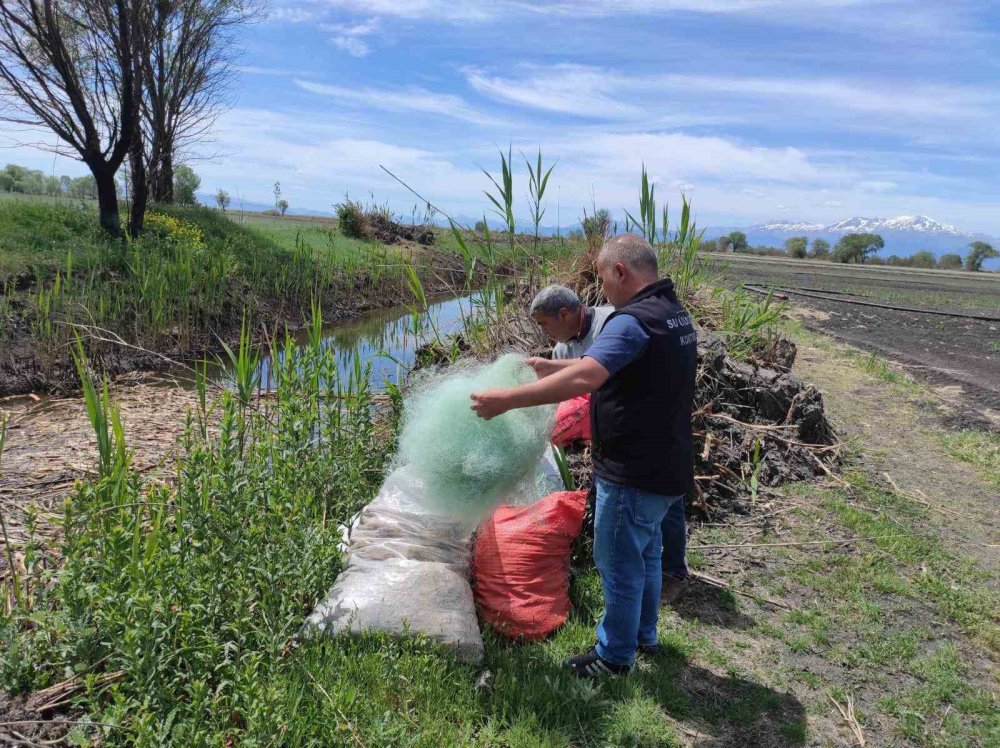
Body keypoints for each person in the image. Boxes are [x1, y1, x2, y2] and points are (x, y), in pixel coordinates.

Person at [471, 235, 697, 678]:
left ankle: (614, 658)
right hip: (668, 462)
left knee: (618, 566)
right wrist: (548, 366)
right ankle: (644, 636)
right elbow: (608, 364)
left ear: (620, 272)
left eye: (601, 276)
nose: (600, 288)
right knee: (648, 555)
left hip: (632, 469)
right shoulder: (673, 315)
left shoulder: (632, 320)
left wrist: (508, 400)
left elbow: (590, 376)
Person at [529, 284, 690, 603]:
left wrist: (507, 401)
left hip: (643, 428)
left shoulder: (614, 323)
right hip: (605, 430)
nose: (545, 333)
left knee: (665, 499)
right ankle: (647, 575)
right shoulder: (563, 349)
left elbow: (600, 375)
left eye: (545, 323)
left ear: (564, 314)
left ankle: (674, 572)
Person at [528, 284, 613, 360]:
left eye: (543, 323)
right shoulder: (560, 352)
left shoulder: (612, 322)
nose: (543, 331)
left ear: (563, 314)